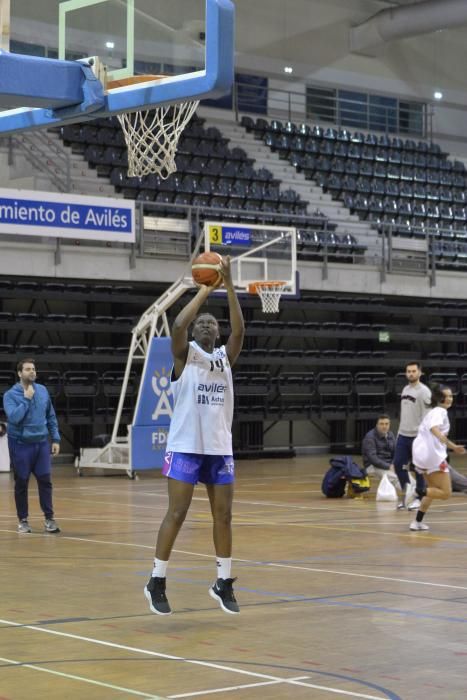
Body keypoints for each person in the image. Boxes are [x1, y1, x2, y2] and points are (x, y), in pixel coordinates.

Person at [144, 256, 245, 615]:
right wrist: (204, 290)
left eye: (210, 323)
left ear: (216, 333)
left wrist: (229, 285)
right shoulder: (184, 357)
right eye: (201, 322)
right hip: (185, 445)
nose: (204, 324)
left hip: (218, 448)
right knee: (177, 512)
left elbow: (239, 332)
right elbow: (177, 326)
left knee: (225, 516)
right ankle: (156, 579)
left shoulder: (224, 358)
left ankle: (223, 582)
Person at [3, 358, 61, 534]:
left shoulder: (43, 391)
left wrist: (56, 439)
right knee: (22, 482)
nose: (32, 372)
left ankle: (49, 519)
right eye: (28, 369)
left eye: (34, 369)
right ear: (20, 373)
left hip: (41, 443)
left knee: (45, 480)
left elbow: (50, 416)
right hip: (20, 445)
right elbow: (14, 418)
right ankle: (23, 520)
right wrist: (26, 399)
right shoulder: (10, 395)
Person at [410, 384, 465, 531]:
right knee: (446, 493)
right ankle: (417, 491)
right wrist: (451, 446)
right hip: (432, 457)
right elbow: (434, 428)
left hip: (421, 456)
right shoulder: (440, 411)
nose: (449, 399)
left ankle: (417, 522)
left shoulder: (432, 412)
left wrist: (449, 445)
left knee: (433, 490)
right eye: (446, 396)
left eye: (451, 396)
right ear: (439, 398)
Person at [393, 361, 431, 511]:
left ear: (420, 373)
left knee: (419, 468)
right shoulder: (405, 389)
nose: (410, 374)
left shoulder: (424, 391)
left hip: (418, 436)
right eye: (408, 371)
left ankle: (420, 498)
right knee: (398, 465)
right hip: (403, 434)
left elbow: (427, 417)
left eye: (413, 371)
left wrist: (424, 438)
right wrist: (398, 434)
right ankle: (407, 495)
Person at [362, 414, 400, 491]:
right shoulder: (370, 437)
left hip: (388, 464)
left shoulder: (390, 434)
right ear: (377, 425)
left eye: (386, 424)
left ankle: (417, 489)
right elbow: (373, 458)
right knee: (394, 477)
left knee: (404, 473)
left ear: (389, 425)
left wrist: (393, 464)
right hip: (372, 466)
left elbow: (395, 453)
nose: (384, 426)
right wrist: (389, 466)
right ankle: (412, 492)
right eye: (381, 424)